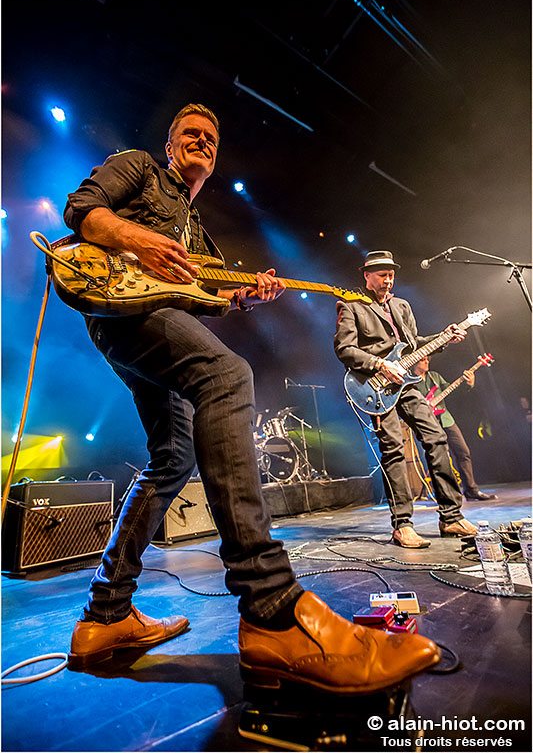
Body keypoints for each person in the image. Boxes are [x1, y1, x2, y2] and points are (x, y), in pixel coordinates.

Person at [62, 106, 440, 691]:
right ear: (169, 145)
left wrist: (243, 297)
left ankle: (104, 616)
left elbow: (200, 298)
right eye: (190, 134)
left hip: (154, 319)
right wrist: (140, 239)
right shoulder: (138, 168)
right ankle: (270, 607)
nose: (202, 142)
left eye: (211, 139)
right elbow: (81, 209)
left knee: (173, 458)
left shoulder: (198, 233)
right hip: (117, 305)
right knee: (227, 376)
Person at [334, 250, 478, 549]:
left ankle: (451, 516)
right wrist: (379, 364)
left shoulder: (402, 306)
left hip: (407, 384)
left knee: (436, 437)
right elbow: (345, 349)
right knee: (393, 450)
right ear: (367, 276)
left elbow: (414, 345)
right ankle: (402, 525)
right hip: (375, 386)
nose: (388, 280)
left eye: (391, 275)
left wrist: (444, 337)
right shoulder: (352, 306)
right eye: (382, 275)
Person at [412, 356, 497, 501]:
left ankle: (471, 490)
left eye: (428, 359)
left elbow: (452, 390)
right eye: (423, 360)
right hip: (428, 424)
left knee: (463, 452)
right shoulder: (410, 382)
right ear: (414, 362)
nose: (427, 361)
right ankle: (445, 494)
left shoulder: (434, 376)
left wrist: (469, 383)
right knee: (438, 458)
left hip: (446, 419)